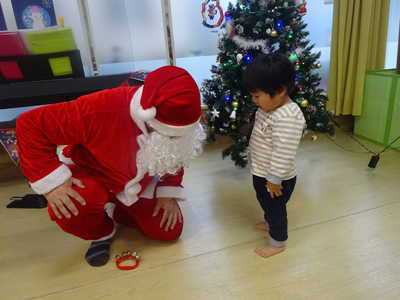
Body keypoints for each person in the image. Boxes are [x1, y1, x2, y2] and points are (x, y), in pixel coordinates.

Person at [16, 66, 205, 267]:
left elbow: (174, 153)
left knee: (168, 230)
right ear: (148, 115)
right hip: (93, 174)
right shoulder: (98, 108)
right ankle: (103, 231)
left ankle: (116, 209)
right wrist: (53, 184)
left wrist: (167, 192)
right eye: (170, 134)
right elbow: (29, 125)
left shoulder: (177, 128)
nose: (175, 138)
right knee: (71, 206)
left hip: (137, 182)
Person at [242, 53, 306, 258]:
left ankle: (277, 241)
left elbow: (283, 151)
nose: (254, 100)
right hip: (263, 172)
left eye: (257, 96)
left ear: (279, 91)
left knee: (276, 208)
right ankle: (269, 221)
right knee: (266, 203)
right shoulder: (269, 108)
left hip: (276, 178)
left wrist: (274, 179)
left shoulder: (288, 117)